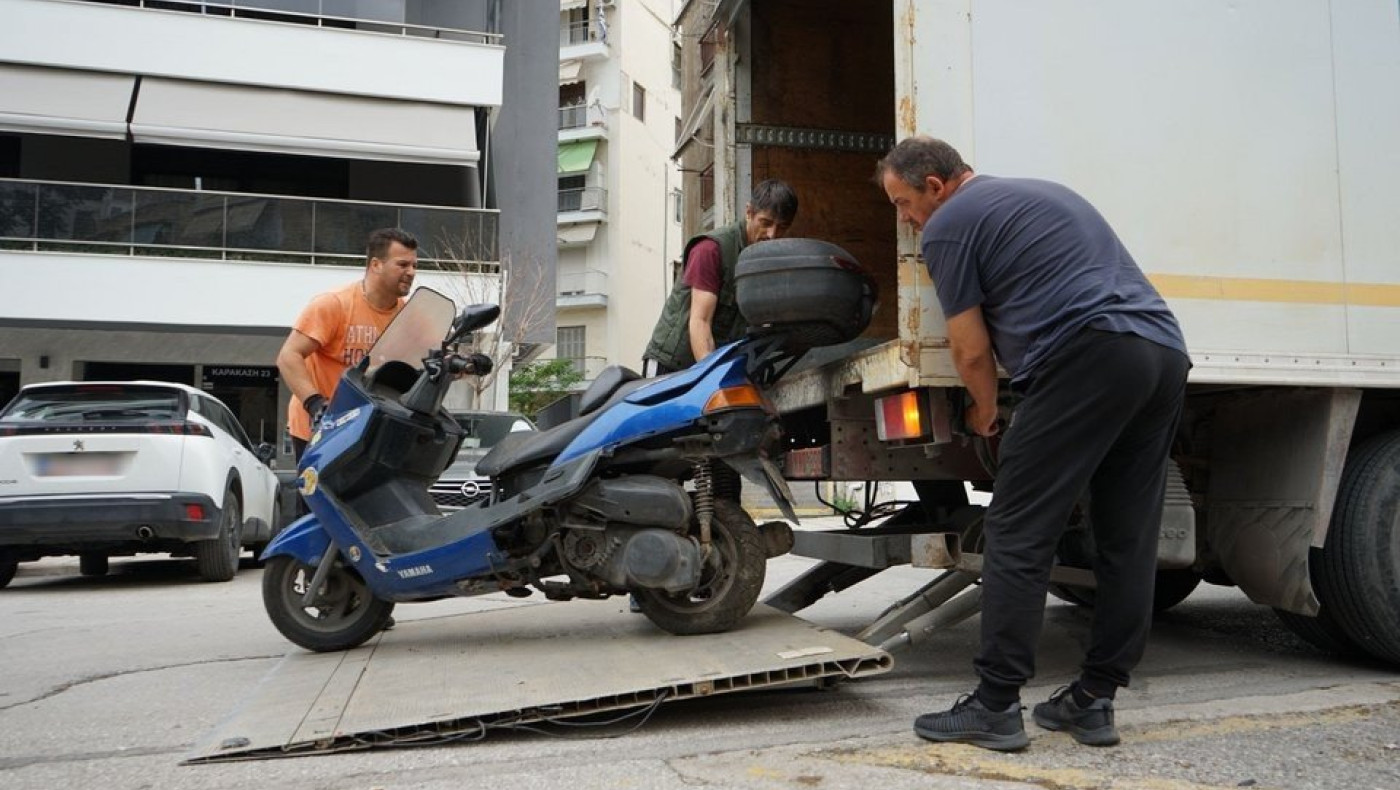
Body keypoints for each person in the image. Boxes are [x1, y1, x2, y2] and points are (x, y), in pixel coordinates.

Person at [876, 137, 1190, 751]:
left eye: (904, 203)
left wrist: (987, 412)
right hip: (1161, 353)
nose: (905, 219)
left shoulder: (950, 225)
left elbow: (969, 348)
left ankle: (994, 705)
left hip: (1086, 354)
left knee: (1018, 531)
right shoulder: (1042, 193)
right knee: (1127, 535)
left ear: (936, 186)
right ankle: (1094, 700)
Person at [277, 227, 418, 467]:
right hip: (323, 426)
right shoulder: (334, 304)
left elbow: (424, 360)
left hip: (369, 427)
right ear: (376, 265)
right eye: (402, 265)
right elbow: (288, 356)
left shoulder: (407, 315)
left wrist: (460, 365)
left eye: (415, 266)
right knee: (318, 504)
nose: (411, 272)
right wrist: (314, 404)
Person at [643, 178, 799, 376]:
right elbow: (700, 321)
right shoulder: (711, 250)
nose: (772, 234)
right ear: (749, 212)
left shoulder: (768, 260)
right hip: (671, 365)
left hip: (715, 366)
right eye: (766, 223)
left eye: (782, 227)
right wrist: (712, 381)